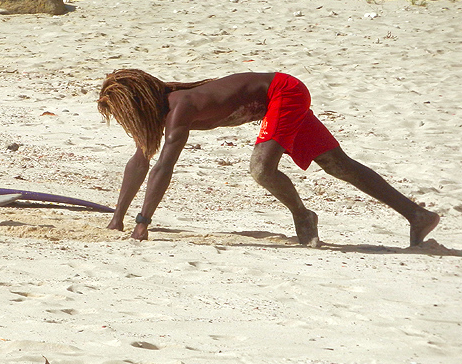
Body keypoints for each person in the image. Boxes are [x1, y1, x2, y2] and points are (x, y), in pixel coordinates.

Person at [97, 68, 440, 247]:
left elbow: (164, 166)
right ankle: (418, 215)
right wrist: (118, 218)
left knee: (261, 169)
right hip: (274, 102)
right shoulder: (162, 113)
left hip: (284, 92)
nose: (128, 121)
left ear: (139, 103)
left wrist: (143, 222)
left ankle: (303, 216)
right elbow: (142, 160)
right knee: (338, 165)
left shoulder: (180, 108)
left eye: (126, 113)